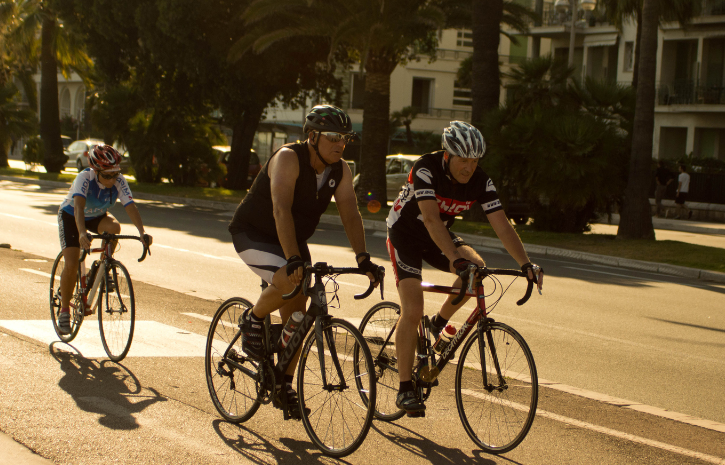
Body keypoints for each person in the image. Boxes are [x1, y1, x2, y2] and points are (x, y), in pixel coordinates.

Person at [228, 105, 384, 416]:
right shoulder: (288, 157)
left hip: (293, 241)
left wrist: (363, 257)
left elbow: (350, 212)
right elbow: (280, 210)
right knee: (288, 281)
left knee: (298, 318)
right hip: (255, 233)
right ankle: (253, 318)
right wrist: (293, 259)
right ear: (312, 136)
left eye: (345, 138)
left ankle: (283, 384)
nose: (340, 144)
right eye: (333, 137)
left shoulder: (340, 170)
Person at [386, 120, 544, 414]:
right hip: (405, 234)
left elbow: (502, 225)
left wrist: (526, 264)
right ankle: (405, 388)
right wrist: (454, 258)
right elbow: (431, 219)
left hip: (439, 236)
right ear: (447, 155)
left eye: (474, 161)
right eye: (463, 160)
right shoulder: (426, 168)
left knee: (476, 269)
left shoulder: (481, 181)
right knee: (412, 308)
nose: (468, 167)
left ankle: (436, 324)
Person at [56, 144, 152, 334]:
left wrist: (142, 232)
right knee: (72, 262)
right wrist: (82, 233)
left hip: (97, 217)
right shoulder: (84, 178)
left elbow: (131, 206)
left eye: (114, 174)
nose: (111, 179)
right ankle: (65, 311)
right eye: (106, 175)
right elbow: (79, 209)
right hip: (72, 215)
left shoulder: (119, 180)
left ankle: (103, 265)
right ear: (96, 171)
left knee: (114, 227)